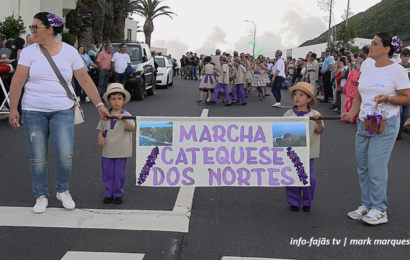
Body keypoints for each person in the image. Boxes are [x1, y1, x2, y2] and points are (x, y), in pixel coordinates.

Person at [7, 12, 110, 214]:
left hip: (62, 109)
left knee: (64, 155)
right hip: (33, 110)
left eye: (36, 27)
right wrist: (13, 109)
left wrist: (99, 105)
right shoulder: (29, 52)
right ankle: (41, 195)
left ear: (50, 29)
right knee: (37, 157)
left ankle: (62, 190)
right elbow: (17, 81)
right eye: (32, 27)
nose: (32, 31)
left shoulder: (69, 52)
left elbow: (85, 81)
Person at [341, 33, 410, 225]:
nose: (370, 46)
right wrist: (352, 113)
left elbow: (407, 97)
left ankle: (379, 209)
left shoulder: (397, 71)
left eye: (374, 43)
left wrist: (388, 98)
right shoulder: (368, 65)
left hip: (385, 124)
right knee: (363, 165)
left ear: (387, 49)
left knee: (376, 166)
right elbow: (360, 96)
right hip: (365, 122)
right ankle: (366, 204)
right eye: (371, 42)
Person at [284, 82, 324, 212]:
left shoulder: (315, 113)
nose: (297, 97)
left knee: (309, 177)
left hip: (308, 152)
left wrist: (318, 122)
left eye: (301, 95)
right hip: (292, 152)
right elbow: (281, 130)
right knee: (292, 176)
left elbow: (319, 131)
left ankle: (307, 201)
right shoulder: (289, 114)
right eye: (295, 94)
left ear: (309, 99)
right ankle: (294, 201)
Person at [97, 83, 135, 204]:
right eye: (113, 99)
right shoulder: (106, 115)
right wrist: (99, 136)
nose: (116, 102)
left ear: (124, 100)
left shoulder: (127, 115)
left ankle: (118, 193)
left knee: (119, 173)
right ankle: (108, 193)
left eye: (119, 99)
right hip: (108, 149)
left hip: (122, 150)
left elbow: (131, 128)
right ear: (109, 101)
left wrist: (123, 119)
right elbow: (101, 129)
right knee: (107, 172)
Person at [342, 57, 362, 123]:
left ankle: (347, 116)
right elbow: (355, 80)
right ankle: (353, 118)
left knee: (348, 103)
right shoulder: (357, 72)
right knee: (354, 103)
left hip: (349, 89)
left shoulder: (352, 71)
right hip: (353, 90)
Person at [397, 48, 410, 139]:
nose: (406, 58)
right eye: (404, 56)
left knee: (405, 114)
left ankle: (400, 130)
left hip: (408, 92)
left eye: (408, 56)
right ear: (401, 57)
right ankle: (397, 132)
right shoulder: (397, 66)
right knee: (400, 112)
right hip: (399, 92)